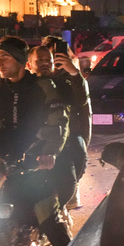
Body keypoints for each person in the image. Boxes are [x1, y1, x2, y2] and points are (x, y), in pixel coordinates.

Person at [0, 36, 71, 246]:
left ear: (20, 60)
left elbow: (58, 122)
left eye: (4, 57)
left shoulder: (42, 86)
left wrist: (49, 153)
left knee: (48, 218)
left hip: (32, 160)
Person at [34, 36, 92, 210]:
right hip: (40, 140)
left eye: (54, 55)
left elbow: (82, 102)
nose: (50, 59)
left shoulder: (70, 78)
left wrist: (73, 72)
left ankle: (64, 208)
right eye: (44, 56)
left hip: (70, 137)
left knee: (69, 182)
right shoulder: (31, 80)